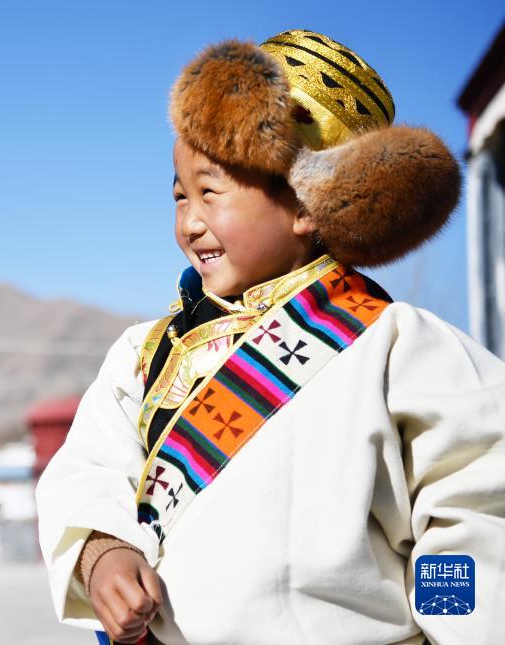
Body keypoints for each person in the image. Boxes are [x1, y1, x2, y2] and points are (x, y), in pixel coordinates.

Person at [36, 29, 505, 644]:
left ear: (307, 205)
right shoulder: (142, 357)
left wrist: (460, 625)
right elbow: (88, 472)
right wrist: (103, 553)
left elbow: (473, 508)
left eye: (210, 192)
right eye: (179, 195)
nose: (189, 221)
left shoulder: (399, 346)